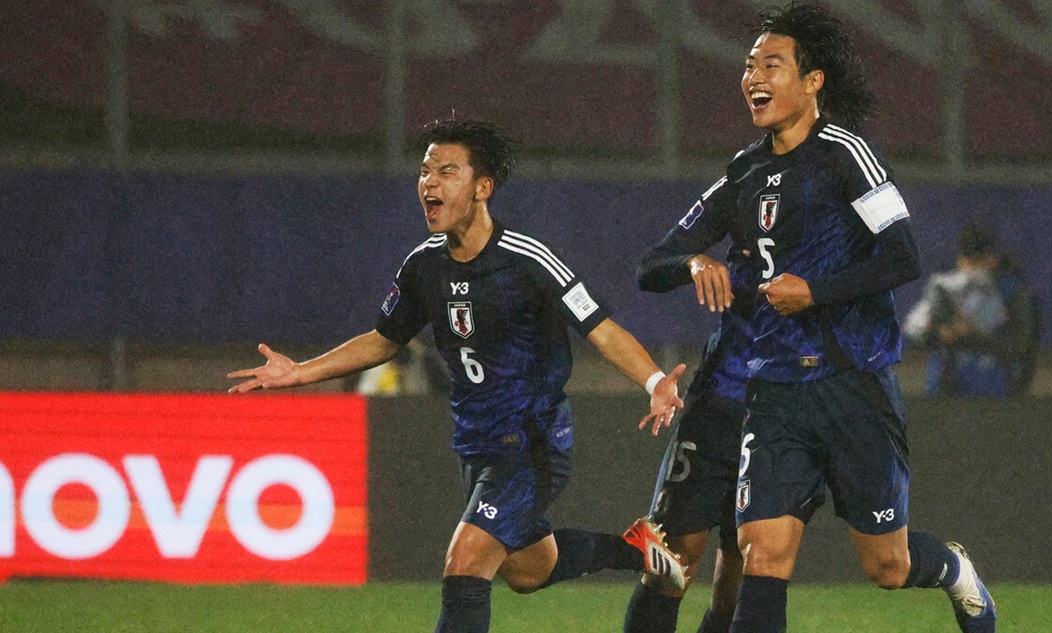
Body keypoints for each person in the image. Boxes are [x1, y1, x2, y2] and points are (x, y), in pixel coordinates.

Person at [227, 119, 688, 633]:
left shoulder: (526, 259)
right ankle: (638, 552)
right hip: (477, 444)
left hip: (532, 444)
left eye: (447, 172)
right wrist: (300, 373)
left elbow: (600, 330)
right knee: (530, 571)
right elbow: (384, 340)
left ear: (482, 188)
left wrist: (654, 382)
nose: (429, 183)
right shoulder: (424, 267)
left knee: (465, 563)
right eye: (425, 172)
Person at [713, 4, 997, 632]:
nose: (753, 75)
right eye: (749, 64)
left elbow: (902, 256)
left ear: (812, 81)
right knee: (763, 552)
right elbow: (668, 254)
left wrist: (814, 292)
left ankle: (952, 569)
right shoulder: (748, 169)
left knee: (887, 566)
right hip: (777, 389)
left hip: (853, 383)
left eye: (771, 63)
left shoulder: (848, 153)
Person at [624, 181, 757, 632]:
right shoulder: (748, 177)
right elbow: (650, 267)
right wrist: (693, 261)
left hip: (790, 411)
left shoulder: (846, 182)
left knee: (747, 568)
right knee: (671, 561)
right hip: (721, 401)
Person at [904, 222, 1039, 397]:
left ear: (993, 260)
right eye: (967, 262)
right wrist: (939, 334)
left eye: (979, 262)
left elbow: (1019, 345)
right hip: (947, 389)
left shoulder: (1010, 293)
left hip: (995, 390)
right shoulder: (945, 289)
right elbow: (916, 332)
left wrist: (971, 336)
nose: (971, 271)